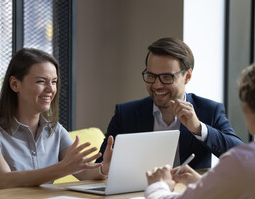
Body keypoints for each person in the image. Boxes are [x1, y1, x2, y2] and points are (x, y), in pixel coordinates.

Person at [144, 54, 255, 199]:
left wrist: (157, 185)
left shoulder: (245, 161)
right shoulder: (248, 164)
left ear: (251, 106)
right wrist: (204, 184)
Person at [0, 48, 113, 194]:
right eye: (41, 81)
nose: (51, 89)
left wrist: (104, 168)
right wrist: (63, 168)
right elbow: (3, 180)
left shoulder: (55, 130)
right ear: (15, 84)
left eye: (54, 82)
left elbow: (84, 173)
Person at [96, 37, 242, 169]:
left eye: (167, 77)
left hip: (188, 195)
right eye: (151, 76)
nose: (157, 85)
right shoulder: (126, 114)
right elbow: (101, 165)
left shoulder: (209, 111)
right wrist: (103, 169)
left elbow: (241, 156)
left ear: (187, 76)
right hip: (137, 196)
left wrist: (198, 128)